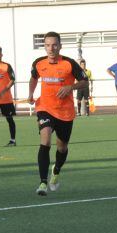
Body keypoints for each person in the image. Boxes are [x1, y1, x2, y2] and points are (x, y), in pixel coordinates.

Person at [27, 31, 88, 196]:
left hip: (65, 112)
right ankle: (42, 183)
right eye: (47, 45)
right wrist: (31, 94)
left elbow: (84, 82)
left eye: (54, 45)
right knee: (45, 140)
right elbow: (33, 78)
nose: (51, 48)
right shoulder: (39, 63)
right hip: (44, 108)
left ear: (60, 46)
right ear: (44, 46)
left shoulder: (69, 64)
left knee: (62, 148)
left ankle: (56, 170)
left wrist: (71, 87)